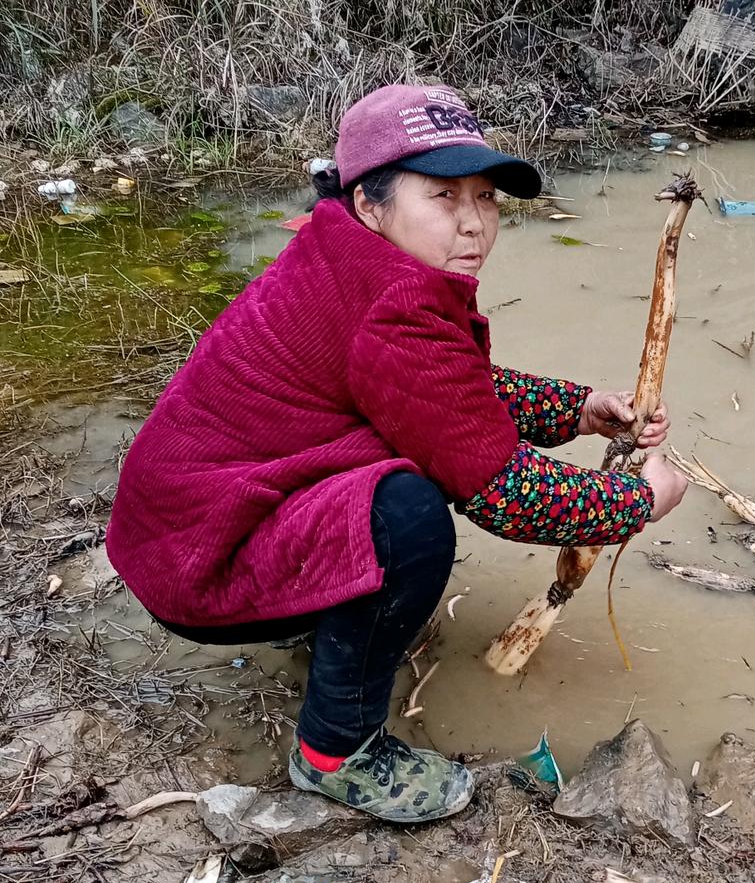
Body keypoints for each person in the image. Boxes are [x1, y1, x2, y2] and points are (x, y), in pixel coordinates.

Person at [106, 84, 688, 824]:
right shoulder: (396, 302)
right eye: (442, 196)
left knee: (406, 469)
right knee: (409, 516)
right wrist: (639, 502)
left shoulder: (342, 252)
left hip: (177, 536)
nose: (474, 223)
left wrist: (576, 409)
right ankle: (335, 754)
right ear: (370, 203)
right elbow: (503, 492)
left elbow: (442, 392)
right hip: (201, 562)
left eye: (485, 197)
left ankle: (320, 616)